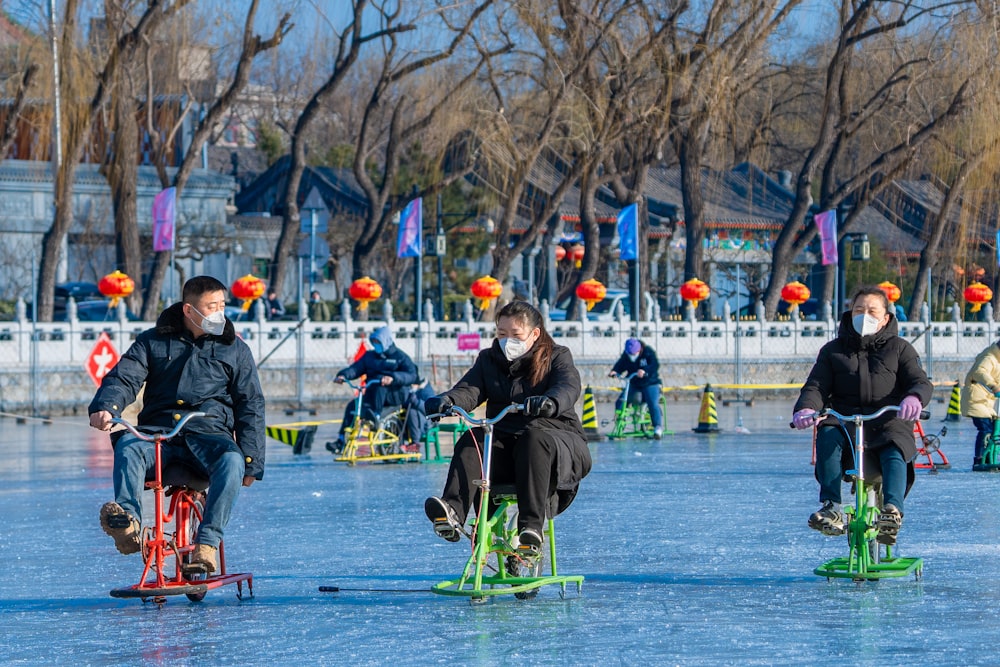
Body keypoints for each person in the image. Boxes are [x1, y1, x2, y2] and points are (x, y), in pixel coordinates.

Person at [88, 276, 265, 573]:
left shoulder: (235, 349)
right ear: (188, 310)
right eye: (211, 306)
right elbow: (124, 377)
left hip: (208, 434)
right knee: (129, 445)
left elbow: (251, 405)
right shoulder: (152, 341)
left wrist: (252, 461)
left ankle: (206, 544)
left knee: (232, 461)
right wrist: (107, 407)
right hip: (160, 433)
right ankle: (128, 523)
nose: (219, 312)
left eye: (222, 305)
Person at [422, 301, 592, 555]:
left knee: (534, 439)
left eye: (516, 335)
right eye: (502, 334)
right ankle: (453, 511)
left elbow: (568, 386)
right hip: (504, 443)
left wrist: (550, 402)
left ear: (535, 334)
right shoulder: (489, 360)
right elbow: (470, 389)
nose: (507, 341)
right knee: (474, 439)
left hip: (555, 443)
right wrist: (448, 400)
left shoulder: (557, 356)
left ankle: (531, 528)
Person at [791, 286, 931, 546]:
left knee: (895, 447)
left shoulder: (900, 349)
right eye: (859, 310)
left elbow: (919, 381)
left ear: (885, 318)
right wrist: (806, 408)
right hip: (845, 419)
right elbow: (816, 386)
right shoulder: (832, 351)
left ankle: (892, 510)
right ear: (850, 312)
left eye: (872, 311)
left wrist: (914, 397)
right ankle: (832, 505)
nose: (864, 315)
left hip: (887, 418)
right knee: (828, 434)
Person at [328, 326, 418, 453]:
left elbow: (412, 375)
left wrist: (393, 378)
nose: (376, 346)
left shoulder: (400, 357)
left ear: (385, 341)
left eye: (378, 343)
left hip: (394, 394)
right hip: (372, 392)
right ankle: (341, 441)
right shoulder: (370, 356)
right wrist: (343, 376)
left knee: (381, 387)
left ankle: (375, 416)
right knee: (352, 407)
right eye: (374, 343)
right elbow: (356, 368)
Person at [609, 337, 664, 438]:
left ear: (639, 350)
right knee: (621, 401)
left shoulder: (648, 352)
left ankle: (657, 427)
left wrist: (645, 371)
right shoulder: (626, 355)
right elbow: (620, 365)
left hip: (650, 383)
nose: (632, 356)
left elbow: (654, 365)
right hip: (634, 383)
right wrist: (615, 371)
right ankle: (620, 424)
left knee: (652, 402)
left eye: (634, 354)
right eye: (630, 354)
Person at [960, 340, 1000, 469]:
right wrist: (994, 386)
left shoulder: (997, 360)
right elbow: (979, 372)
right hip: (976, 399)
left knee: (994, 430)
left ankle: (989, 457)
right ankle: (979, 458)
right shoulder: (989, 358)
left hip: (986, 401)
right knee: (985, 429)